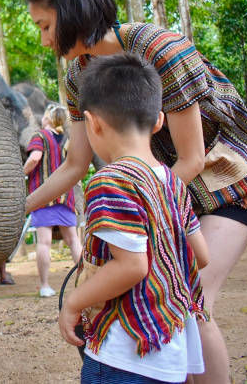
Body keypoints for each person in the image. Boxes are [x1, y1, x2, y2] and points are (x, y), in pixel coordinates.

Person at [23, 0, 247, 384]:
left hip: (226, 181)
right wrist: (19, 207)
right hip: (167, 194)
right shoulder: (78, 79)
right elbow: (74, 164)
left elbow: (193, 160)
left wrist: (142, 205)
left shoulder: (158, 47)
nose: (44, 39)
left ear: (71, 12)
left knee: (193, 300)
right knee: (172, 299)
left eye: (46, 25)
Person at [59, 53, 210, 383]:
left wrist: (74, 302)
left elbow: (131, 265)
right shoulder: (172, 182)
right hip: (170, 344)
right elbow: (201, 255)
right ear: (158, 121)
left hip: (125, 351)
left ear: (93, 123)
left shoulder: (110, 181)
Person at [23, 104, 82, 297]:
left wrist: (20, 174)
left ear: (48, 118)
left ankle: (45, 286)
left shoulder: (40, 136)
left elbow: (34, 159)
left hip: (44, 196)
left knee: (44, 242)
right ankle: (85, 282)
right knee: (73, 240)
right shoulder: (68, 139)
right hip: (66, 196)